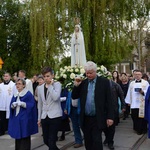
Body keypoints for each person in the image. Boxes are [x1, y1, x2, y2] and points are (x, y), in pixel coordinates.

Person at [72, 61, 114, 150]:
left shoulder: (104, 82)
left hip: (97, 117)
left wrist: (110, 117)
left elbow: (109, 100)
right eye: (87, 73)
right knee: (88, 141)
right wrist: (76, 86)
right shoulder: (83, 83)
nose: (88, 75)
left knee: (97, 141)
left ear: (95, 71)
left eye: (90, 73)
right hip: (86, 118)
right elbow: (74, 96)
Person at [8, 78, 38, 150]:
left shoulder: (28, 94)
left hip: (25, 119)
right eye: (16, 84)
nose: (17, 85)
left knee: (25, 136)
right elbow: (11, 104)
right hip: (17, 118)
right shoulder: (15, 94)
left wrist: (23, 104)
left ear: (24, 85)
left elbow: (32, 105)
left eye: (19, 84)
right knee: (18, 136)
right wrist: (12, 106)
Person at [37, 66, 62, 150]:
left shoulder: (57, 85)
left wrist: (50, 86)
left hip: (55, 116)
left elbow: (56, 97)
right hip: (45, 116)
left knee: (52, 140)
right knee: (46, 140)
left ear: (52, 76)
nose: (46, 78)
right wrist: (39, 118)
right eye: (44, 76)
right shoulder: (40, 88)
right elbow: (40, 104)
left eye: (48, 76)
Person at [125, 70, 149, 135]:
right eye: (136, 74)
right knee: (134, 116)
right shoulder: (132, 83)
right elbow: (129, 92)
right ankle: (136, 128)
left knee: (141, 117)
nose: (137, 75)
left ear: (141, 75)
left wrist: (143, 92)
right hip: (134, 103)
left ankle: (143, 129)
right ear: (134, 75)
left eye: (139, 74)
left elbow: (148, 92)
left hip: (142, 103)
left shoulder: (145, 83)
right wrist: (128, 101)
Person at [103, 80, 126, 150]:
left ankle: (110, 142)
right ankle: (107, 137)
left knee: (112, 127)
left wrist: (123, 106)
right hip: (103, 109)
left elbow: (121, 95)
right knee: (104, 126)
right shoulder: (100, 85)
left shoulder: (115, 85)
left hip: (113, 108)